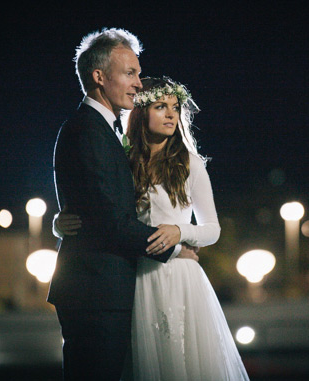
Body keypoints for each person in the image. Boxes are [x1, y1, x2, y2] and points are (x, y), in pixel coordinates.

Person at [54, 76, 249, 380]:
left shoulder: (191, 164)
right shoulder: (123, 160)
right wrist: (59, 222)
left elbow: (212, 229)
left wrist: (180, 233)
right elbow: (105, 211)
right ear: (141, 112)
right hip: (137, 277)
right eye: (161, 106)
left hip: (180, 280)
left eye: (175, 107)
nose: (171, 114)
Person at [48, 29, 198, 381]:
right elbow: (112, 222)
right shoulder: (87, 132)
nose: (139, 84)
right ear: (99, 77)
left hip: (101, 290)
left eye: (139, 73)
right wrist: (175, 248)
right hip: (95, 293)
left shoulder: (100, 130)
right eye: (130, 73)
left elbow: (94, 207)